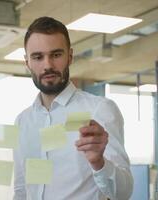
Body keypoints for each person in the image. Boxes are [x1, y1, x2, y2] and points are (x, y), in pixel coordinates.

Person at [13, 17, 133, 200]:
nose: (48, 65)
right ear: (27, 62)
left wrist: (99, 163)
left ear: (70, 56)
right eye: (38, 57)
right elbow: (22, 189)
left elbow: (123, 194)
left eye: (56, 55)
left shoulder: (99, 110)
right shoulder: (23, 121)